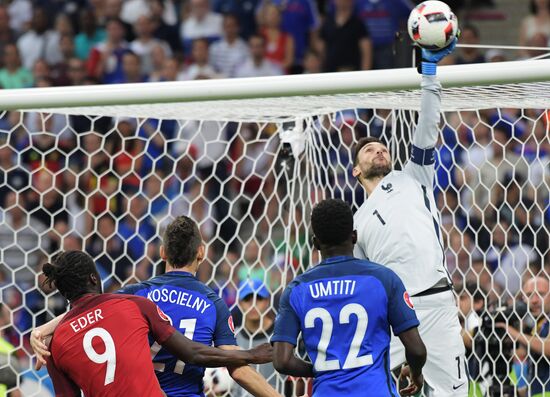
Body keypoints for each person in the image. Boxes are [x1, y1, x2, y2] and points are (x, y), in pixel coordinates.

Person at [32, 217, 279, 397]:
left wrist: (43, 328)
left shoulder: (134, 296)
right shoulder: (213, 302)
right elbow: (238, 371)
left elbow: (90, 307)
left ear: (162, 252)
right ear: (201, 253)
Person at [351, 39, 468, 396]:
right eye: (369, 150)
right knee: (374, 390)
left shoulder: (413, 176)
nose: (379, 150)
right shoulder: (355, 223)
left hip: (436, 302)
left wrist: (429, 75)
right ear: (356, 171)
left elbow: (427, 129)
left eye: (382, 147)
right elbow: (363, 283)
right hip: (395, 317)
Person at [271, 198, 426, 396]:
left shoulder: (296, 290)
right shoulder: (383, 279)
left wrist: (321, 370)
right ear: (354, 237)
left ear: (316, 243)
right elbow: (417, 350)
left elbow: (282, 361)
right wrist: (416, 373)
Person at [497, 275, 550, 397]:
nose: (535, 300)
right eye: (530, 295)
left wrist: (513, 332)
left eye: (541, 294)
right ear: (523, 299)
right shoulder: (538, 325)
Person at [232, 280, 282, 395]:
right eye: (247, 299)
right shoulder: (232, 337)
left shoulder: (280, 336)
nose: (253, 304)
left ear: (267, 301)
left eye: (258, 298)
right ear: (239, 303)